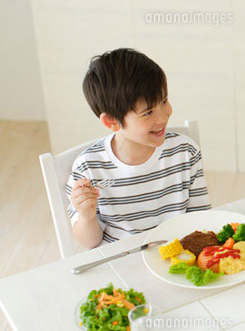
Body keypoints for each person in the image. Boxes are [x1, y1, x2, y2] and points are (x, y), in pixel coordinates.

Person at [65, 48, 212, 248]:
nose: (163, 117)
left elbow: (201, 220)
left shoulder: (185, 152)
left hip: (178, 258)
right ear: (111, 121)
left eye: (164, 101)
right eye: (148, 112)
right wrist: (87, 216)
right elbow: (89, 243)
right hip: (120, 262)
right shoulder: (88, 167)